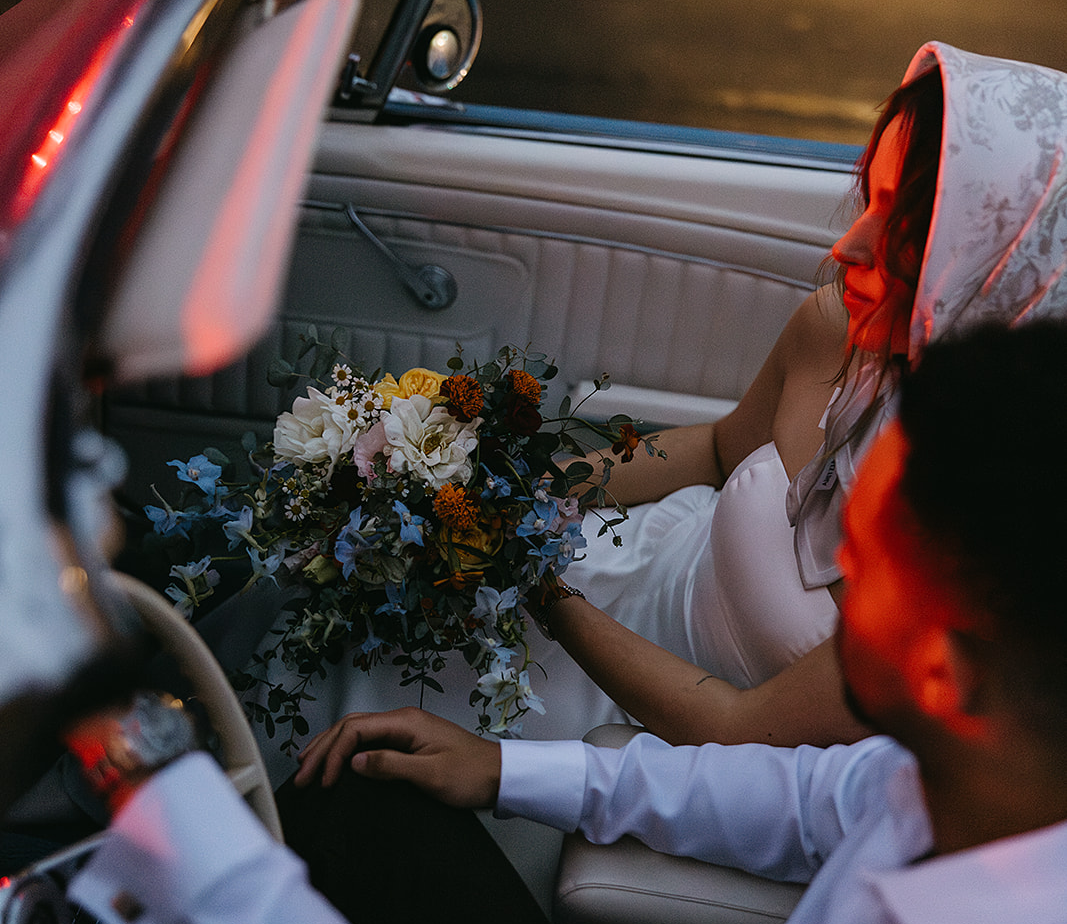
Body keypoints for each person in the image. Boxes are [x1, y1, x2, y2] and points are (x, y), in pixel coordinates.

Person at [68, 322, 1067, 924]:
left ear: (943, 670)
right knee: (369, 814)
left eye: (868, 557)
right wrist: (504, 768)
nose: (832, 575)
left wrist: (138, 766)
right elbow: (807, 794)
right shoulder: (971, 775)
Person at [303, 42, 1067, 756]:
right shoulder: (837, 331)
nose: (848, 245)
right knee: (330, 625)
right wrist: (507, 502)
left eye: (902, 226)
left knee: (346, 717)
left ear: (999, 260)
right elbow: (712, 449)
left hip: (641, 715)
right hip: (619, 565)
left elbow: (733, 728)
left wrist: (526, 575)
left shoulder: (995, 528)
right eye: (867, 195)